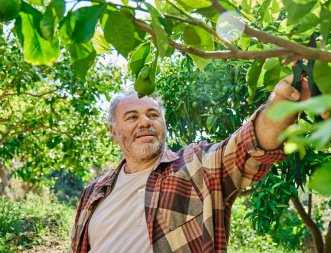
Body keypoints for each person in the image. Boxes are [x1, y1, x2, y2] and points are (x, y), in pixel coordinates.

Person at [70, 75, 311, 253]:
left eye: (153, 115)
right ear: (114, 131)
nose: (144, 122)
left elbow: (249, 147)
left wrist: (282, 101)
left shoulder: (196, 167)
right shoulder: (93, 193)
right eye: (132, 117)